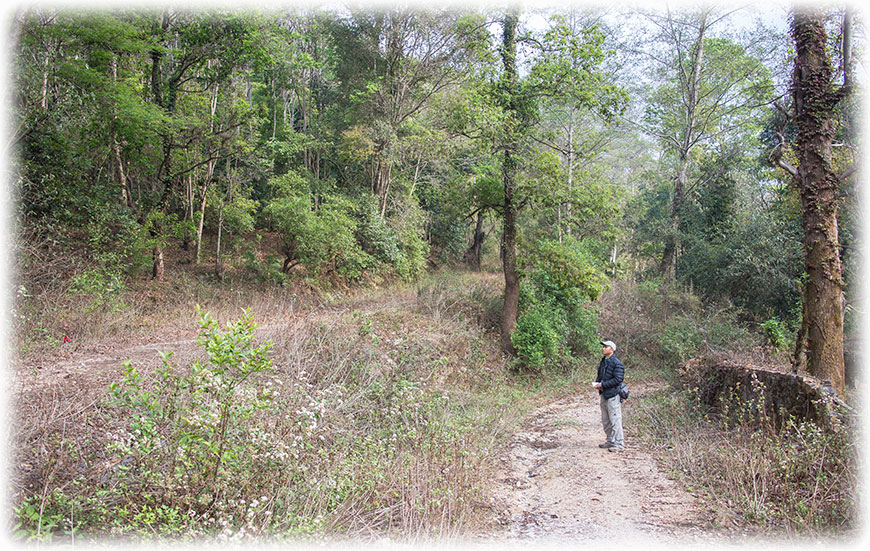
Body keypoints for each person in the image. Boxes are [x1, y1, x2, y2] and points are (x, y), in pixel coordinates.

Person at [592, 340, 625, 453]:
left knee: (615, 420)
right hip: (604, 394)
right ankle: (610, 440)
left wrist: (603, 385)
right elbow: (600, 375)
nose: (603, 349)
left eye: (606, 347)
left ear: (612, 349)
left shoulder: (617, 363)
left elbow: (618, 379)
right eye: (603, 347)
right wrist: (597, 383)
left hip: (613, 395)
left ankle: (619, 444)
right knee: (606, 420)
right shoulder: (603, 362)